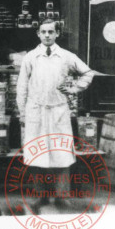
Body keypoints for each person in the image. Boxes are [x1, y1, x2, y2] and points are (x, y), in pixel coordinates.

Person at [16, 19, 94, 210]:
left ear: (57, 33)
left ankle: (61, 196)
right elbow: (22, 87)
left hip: (59, 110)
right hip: (36, 111)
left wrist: (75, 89)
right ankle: (40, 196)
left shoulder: (66, 56)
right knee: (36, 154)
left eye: (51, 32)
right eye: (43, 32)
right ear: (38, 34)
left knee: (62, 154)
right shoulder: (31, 57)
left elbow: (88, 73)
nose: (47, 35)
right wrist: (23, 113)